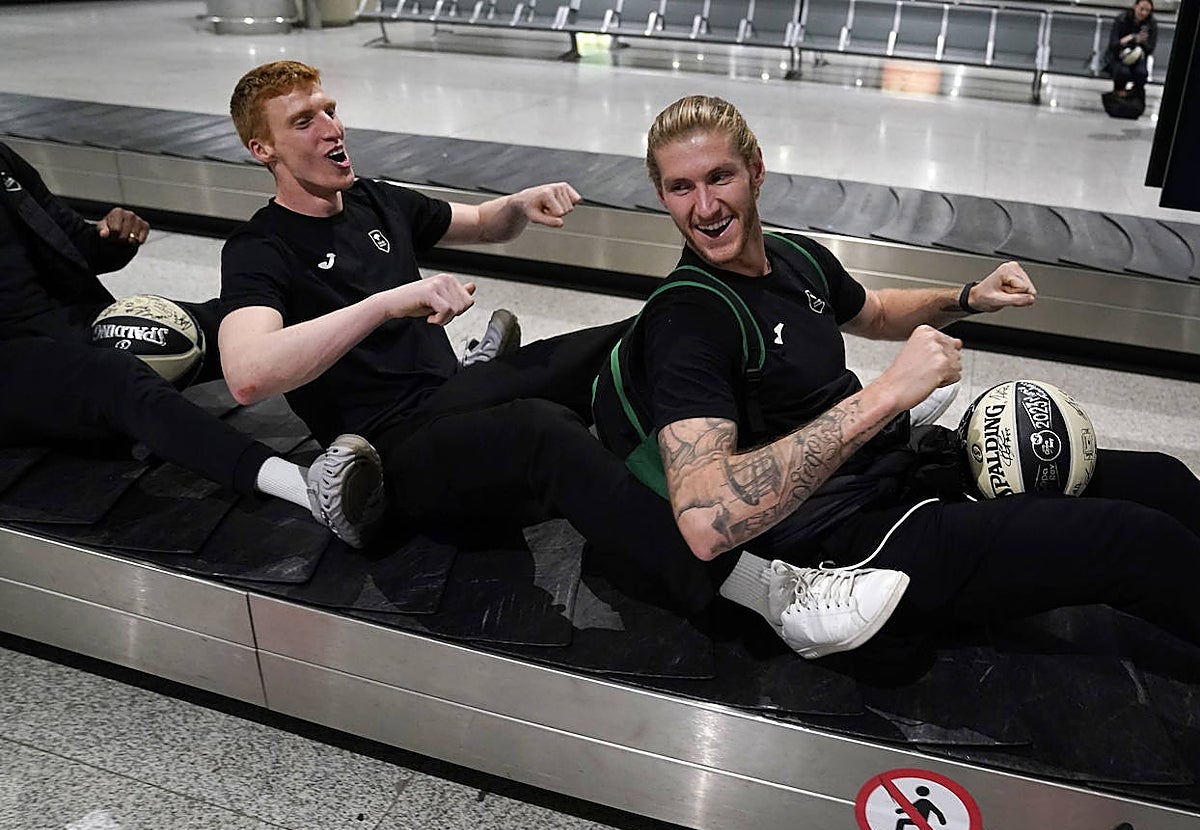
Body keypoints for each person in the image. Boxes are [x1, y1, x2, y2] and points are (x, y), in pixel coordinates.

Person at [218, 60, 907, 659]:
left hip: (454, 393)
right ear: (262, 149)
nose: (331, 128)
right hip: (391, 455)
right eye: (304, 121)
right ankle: (776, 596)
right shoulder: (261, 249)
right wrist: (384, 305)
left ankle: (784, 439)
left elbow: (484, 224)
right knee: (544, 431)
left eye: (330, 110)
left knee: (650, 330)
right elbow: (248, 374)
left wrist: (522, 202)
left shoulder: (371, 199)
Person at [592, 94, 1200, 653]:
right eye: (680, 188)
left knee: (1165, 480)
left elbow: (875, 311)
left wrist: (968, 296)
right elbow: (705, 520)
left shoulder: (797, 257)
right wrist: (886, 395)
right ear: (660, 193)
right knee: (1133, 543)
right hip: (851, 540)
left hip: (901, 466)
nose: (704, 207)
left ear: (756, 169)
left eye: (719, 176)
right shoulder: (690, 320)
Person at [0, 140, 384, 548]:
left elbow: (77, 244)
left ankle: (406, 385)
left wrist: (112, 235)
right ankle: (307, 489)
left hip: (72, 325)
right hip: (12, 363)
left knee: (234, 322)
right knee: (113, 377)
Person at [1106, 0, 1157, 99]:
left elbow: (1150, 49)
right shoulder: (1122, 19)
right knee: (1122, 72)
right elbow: (1113, 45)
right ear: (1135, 7)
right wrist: (1127, 40)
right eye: (1141, 9)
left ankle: (1136, 96)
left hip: (1139, 57)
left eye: (1147, 10)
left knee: (1141, 73)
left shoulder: (1151, 24)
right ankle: (1118, 96)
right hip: (1119, 55)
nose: (1144, 13)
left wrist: (1142, 42)